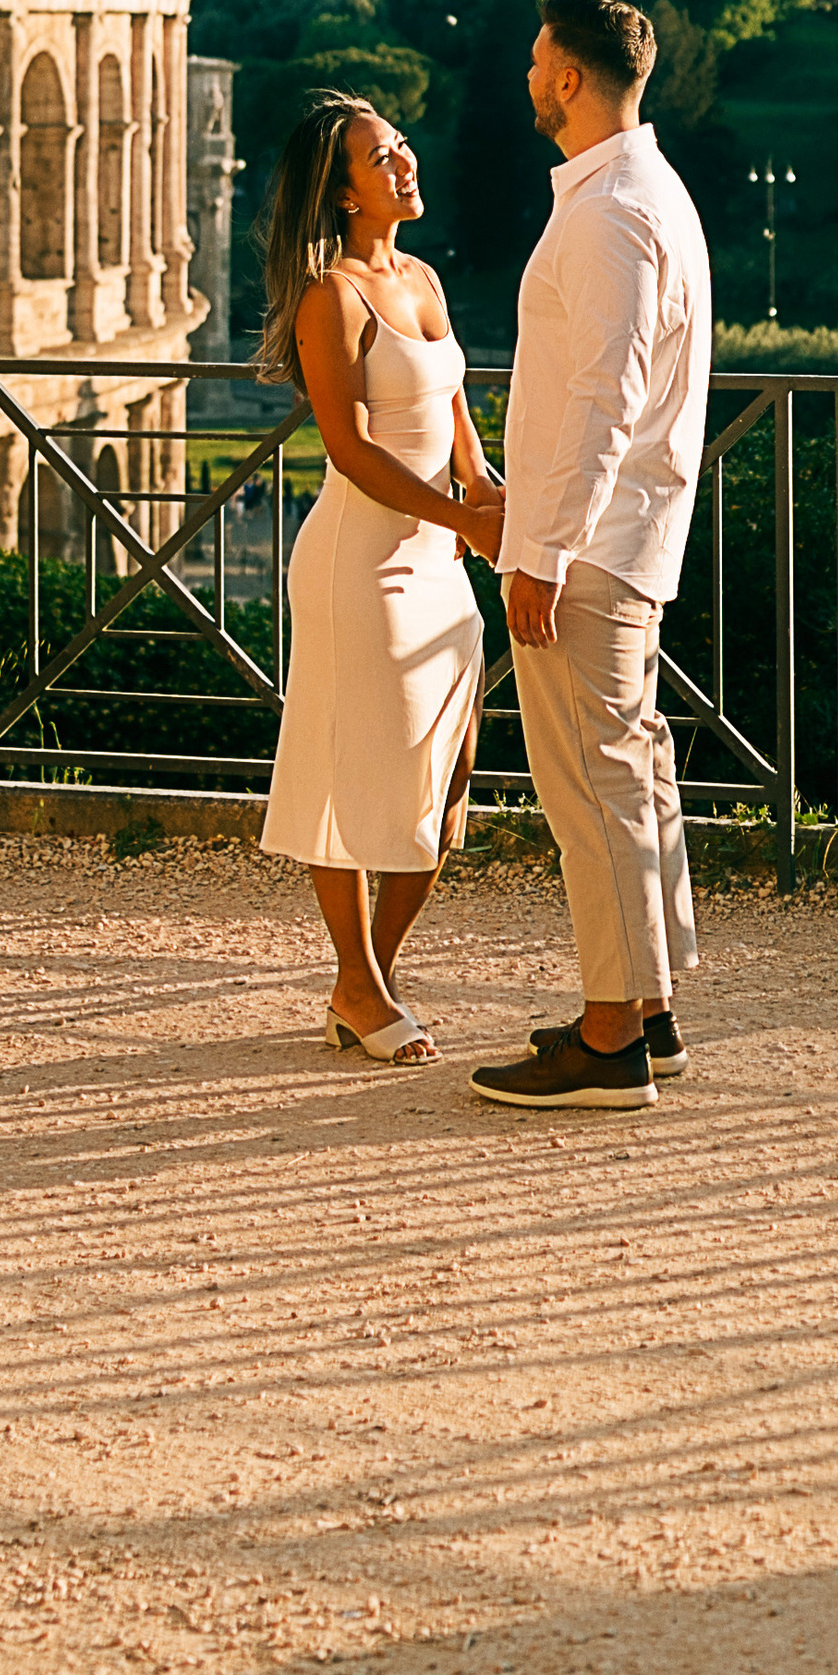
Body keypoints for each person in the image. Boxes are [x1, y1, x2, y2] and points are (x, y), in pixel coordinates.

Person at [470, 0, 711, 1113]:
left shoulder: (611, 209)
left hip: (593, 546)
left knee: (595, 785)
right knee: (632, 767)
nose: (526, 77)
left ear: (569, 79)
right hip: (624, 535)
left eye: (535, 62)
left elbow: (602, 396)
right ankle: (648, 1011)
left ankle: (610, 1034)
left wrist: (545, 549)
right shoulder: (642, 192)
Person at [257, 90, 507, 1064]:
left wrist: (484, 491)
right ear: (344, 191)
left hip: (439, 565)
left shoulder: (423, 276)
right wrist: (460, 519)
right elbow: (350, 450)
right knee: (349, 774)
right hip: (360, 563)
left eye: (401, 144)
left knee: (443, 793)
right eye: (380, 155)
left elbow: (454, 414)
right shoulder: (331, 296)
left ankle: (366, 980)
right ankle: (361, 986)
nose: (405, 162)